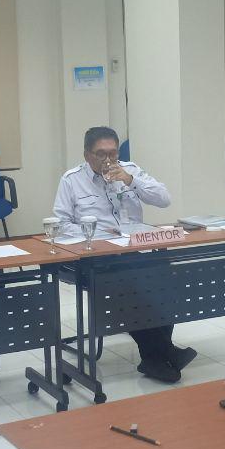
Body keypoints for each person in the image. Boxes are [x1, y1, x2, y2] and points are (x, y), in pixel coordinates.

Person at [53, 126, 196, 383]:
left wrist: (131, 180)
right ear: (87, 155)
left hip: (135, 249)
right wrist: (97, 232)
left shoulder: (130, 170)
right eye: (101, 154)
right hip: (99, 256)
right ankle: (161, 353)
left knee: (166, 277)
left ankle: (157, 355)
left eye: (113, 153)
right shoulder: (71, 180)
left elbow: (164, 199)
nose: (108, 160)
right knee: (132, 285)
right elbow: (61, 225)